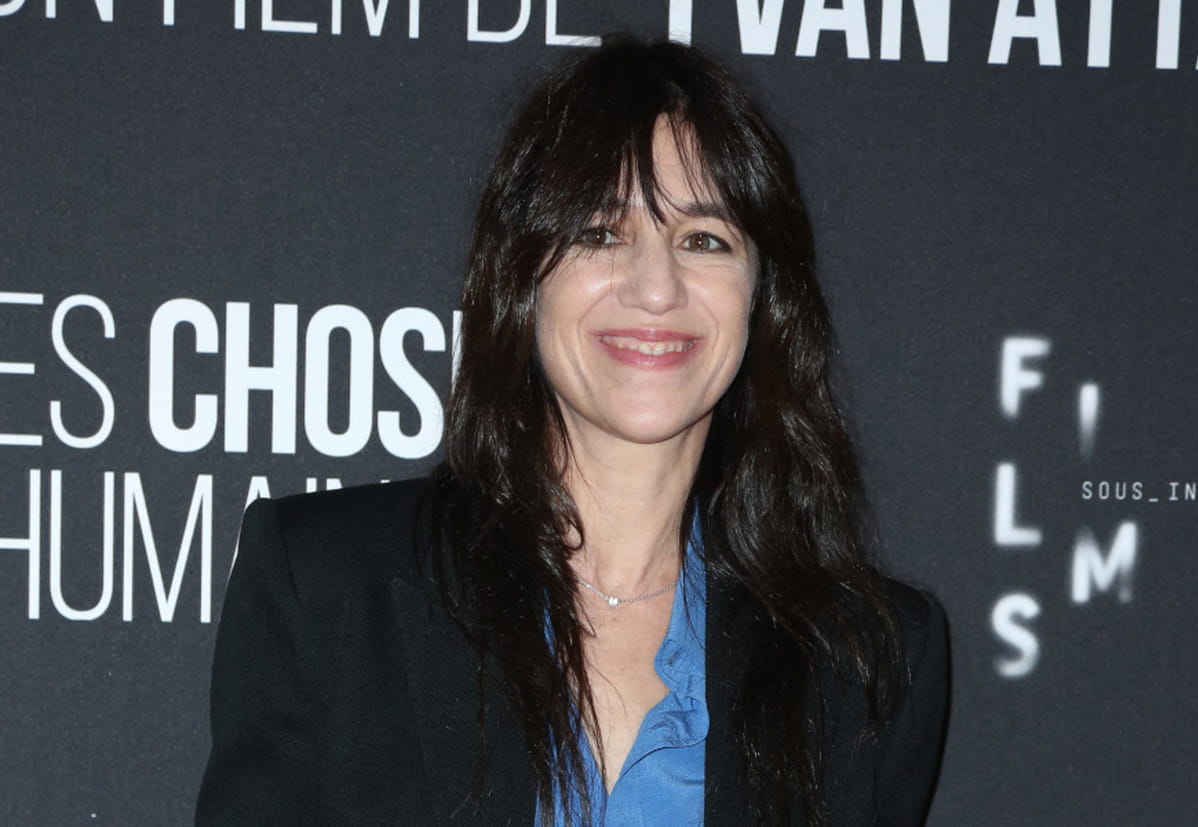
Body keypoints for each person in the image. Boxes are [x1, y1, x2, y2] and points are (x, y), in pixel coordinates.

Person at [196, 36, 948, 826]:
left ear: (763, 295)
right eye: (600, 232)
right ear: (522, 276)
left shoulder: (865, 660)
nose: (656, 287)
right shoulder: (329, 588)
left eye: (704, 239)